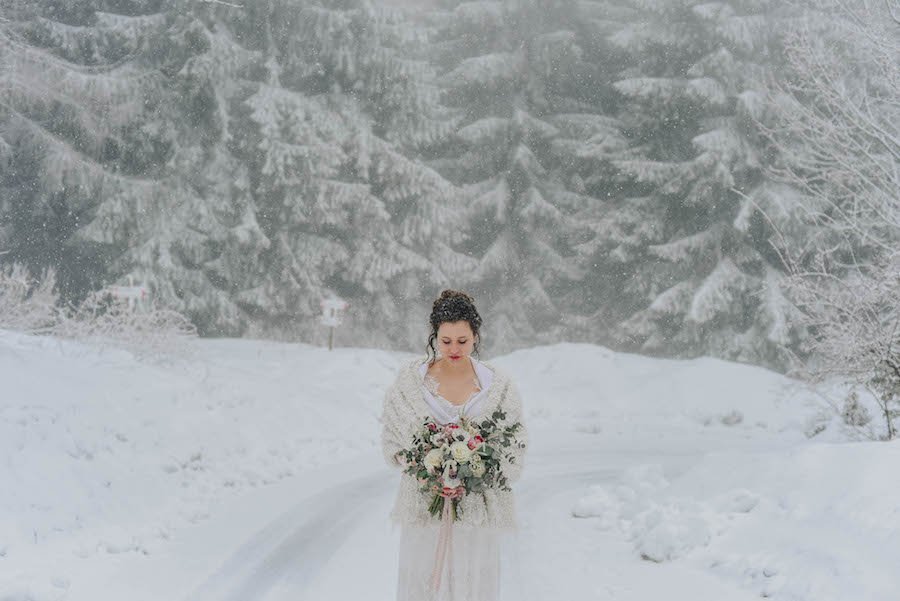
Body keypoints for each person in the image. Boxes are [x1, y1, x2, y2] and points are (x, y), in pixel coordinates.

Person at [380, 289, 528, 601]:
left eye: (463, 340)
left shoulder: (498, 385)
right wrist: (427, 470)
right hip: (424, 508)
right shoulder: (411, 381)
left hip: (476, 511)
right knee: (423, 581)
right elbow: (394, 438)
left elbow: (513, 445)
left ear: (476, 336)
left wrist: (474, 471)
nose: (454, 349)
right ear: (434, 336)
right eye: (446, 341)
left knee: (470, 583)